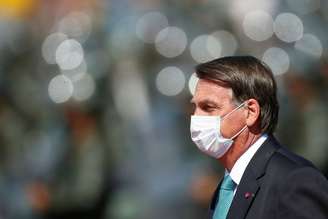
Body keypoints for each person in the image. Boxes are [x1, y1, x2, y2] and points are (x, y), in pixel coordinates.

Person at [189, 56, 328, 219]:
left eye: (209, 107)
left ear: (250, 112)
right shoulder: (227, 186)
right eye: (195, 107)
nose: (196, 116)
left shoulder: (295, 180)